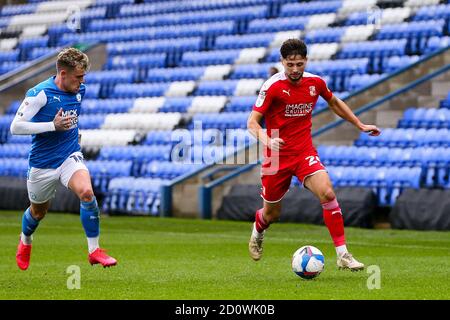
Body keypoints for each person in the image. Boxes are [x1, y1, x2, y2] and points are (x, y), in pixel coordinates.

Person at [247, 39, 381, 270]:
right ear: (282, 63)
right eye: (290, 65)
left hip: (303, 151)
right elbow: (252, 122)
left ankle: (343, 254)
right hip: (275, 157)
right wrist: (267, 139)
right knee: (271, 214)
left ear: (306, 61)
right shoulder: (272, 87)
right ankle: (258, 231)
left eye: (299, 64)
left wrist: (359, 124)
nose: (295, 69)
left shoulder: (315, 83)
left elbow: (334, 102)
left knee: (327, 193)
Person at [10, 47, 117, 270]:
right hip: (42, 164)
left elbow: (72, 116)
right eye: (78, 77)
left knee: (87, 193)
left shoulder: (80, 90)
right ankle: (25, 240)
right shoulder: (39, 94)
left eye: (83, 76)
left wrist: (73, 132)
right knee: (38, 212)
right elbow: (15, 127)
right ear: (63, 74)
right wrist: (52, 126)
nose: (82, 81)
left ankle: (94, 251)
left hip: (69, 156)